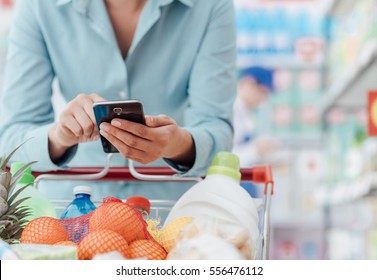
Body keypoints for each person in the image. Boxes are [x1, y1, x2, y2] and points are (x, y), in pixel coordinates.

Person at [0, 0, 237, 202]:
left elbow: (217, 128)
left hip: (171, 217)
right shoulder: (39, 6)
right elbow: (13, 136)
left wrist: (176, 144)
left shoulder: (210, 6)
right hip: (73, 215)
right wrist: (60, 137)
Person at [232, 66, 280, 167]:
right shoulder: (231, 110)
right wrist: (256, 149)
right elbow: (224, 158)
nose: (263, 99)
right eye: (263, 92)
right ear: (249, 83)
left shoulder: (244, 112)